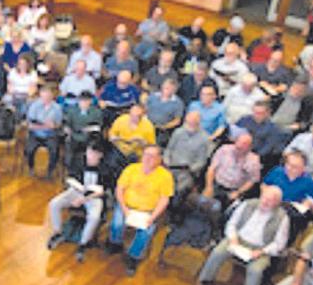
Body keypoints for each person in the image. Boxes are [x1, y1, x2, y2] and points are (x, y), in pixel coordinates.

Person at [191, 185, 289, 285]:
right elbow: (231, 223)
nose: (265, 202)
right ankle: (203, 280)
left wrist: (261, 251)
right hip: (239, 239)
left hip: (260, 248)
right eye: (264, 198)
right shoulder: (247, 204)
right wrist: (233, 238)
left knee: (255, 270)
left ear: (277, 203)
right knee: (217, 252)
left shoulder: (282, 218)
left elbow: (279, 244)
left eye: (270, 200)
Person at [106, 145, 174, 276]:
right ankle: (115, 243)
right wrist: (124, 209)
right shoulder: (131, 169)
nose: (148, 159)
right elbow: (119, 189)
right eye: (146, 155)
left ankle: (133, 256)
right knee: (117, 223)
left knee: (146, 232)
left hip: (148, 211)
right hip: (127, 206)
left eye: (152, 156)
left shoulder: (165, 176)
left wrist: (152, 217)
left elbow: (164, 200)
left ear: (159, 159)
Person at [47, 142, 106, 260]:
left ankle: (83, 243)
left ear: (100, 155)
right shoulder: (79, 159)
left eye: (94, 155)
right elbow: (72, 177)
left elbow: (102, 190)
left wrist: (83, 200)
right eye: (89, 153)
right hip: (76, 191)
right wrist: (74, 189)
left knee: (94, 217)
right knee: (54, 204)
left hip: (93, 197)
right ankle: (57, 232)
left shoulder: (105, 167)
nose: (90, 157)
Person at [203, 132, 262, 209]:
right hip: (216, 184)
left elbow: (252, 180)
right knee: (203, 203)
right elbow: (211, 169)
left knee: (221, 210)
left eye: (244, 144)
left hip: (233, 190)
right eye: (239, 142)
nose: (239, 145)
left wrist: (238, 192)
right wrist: (208, 186)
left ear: (249, 147)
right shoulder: (224, 149)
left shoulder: (254, 160)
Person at [164, 111, 211, 195]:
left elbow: (201, 161)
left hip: (186, 171)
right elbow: (169, 149)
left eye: (193, 122)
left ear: (198, 122)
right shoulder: (178, 132)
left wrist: (190, 169)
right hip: (170, 166)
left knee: (180, 189)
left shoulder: (204, 139)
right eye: (189, 122)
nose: (190, 124)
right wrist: (166, 161)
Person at [25, 86, 63, 177]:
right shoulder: (34, 106)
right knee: (29, 150)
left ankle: (50, 171)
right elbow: (30, 125)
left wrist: (54, 126)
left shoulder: (57, 108)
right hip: (35, 134)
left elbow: (58, 124)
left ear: (51, 96)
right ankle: (31, 168)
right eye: (43, 97)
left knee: (54, 151)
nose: (45, 100)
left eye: (47, 97)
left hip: (51, 135)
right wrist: (45, 126)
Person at [64, 92, 103, 157]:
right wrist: (67, 129)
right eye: (81, 101)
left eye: (86, 101)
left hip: (89, 137)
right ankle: (69, 165)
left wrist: (89, 129)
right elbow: (67, 123)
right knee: (69, 146)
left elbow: (99, 126)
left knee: (93, 146)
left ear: (90, 101)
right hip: (74, 135)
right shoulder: (71, 111)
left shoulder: (97, 112)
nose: (83, 103)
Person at [145, 79, 184, 144]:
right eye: (165, 87)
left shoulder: (178, 103)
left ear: (174, 90)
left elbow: (177, 121)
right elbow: (145, 108)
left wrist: (164, 126)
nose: (166, 90)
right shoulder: (153, 96)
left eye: (169, 88)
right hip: (147, 124)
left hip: (162, 129)